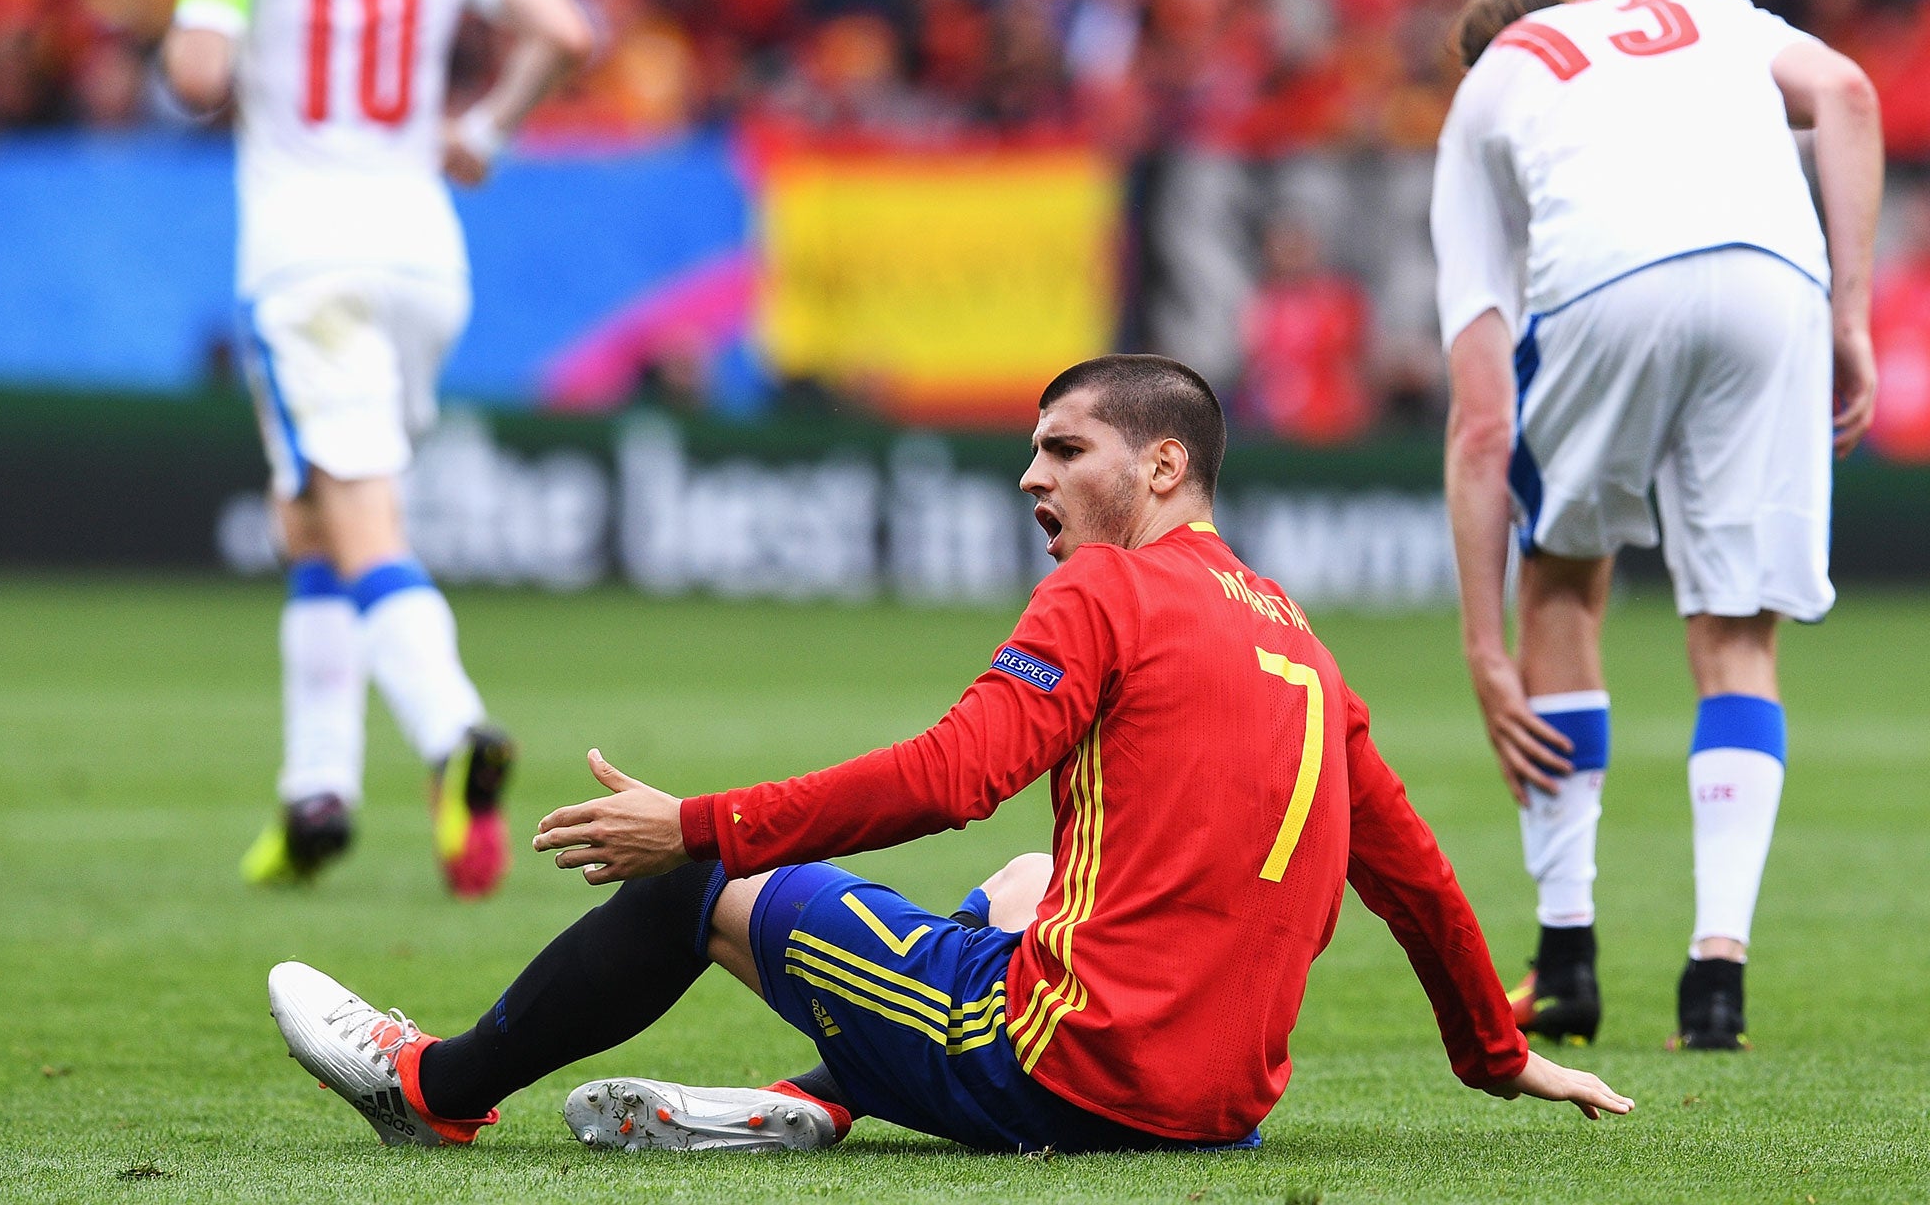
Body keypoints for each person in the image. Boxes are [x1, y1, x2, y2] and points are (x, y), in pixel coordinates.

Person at [264, 355, 1631, 1154]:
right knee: (1039, 871)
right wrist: (1498, 1055)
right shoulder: (1302, 644)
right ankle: (807, 1103)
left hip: (1067, 1069)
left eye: (1063, 449)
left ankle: (434, 1089)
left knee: (704, 890)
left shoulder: (1105, 591)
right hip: (1220, 1108)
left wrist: (697, 827)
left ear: (1162, 469)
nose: (1032, 479)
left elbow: (949, 773)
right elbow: (1412, 875)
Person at [160, 0, 598, 896]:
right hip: (421, 256)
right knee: (310, 511)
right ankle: (317, 796)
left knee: (356, 519)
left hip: (311, 264)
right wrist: (484, 131)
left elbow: (197, 73)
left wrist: (200, 52)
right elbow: (564, 28)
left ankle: (455, 735)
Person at [1430, 0, 1881, 1050]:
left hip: (1599, 284)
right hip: (1776, 279)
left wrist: (1481, 648)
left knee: (1562, 584)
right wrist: (1849, 317)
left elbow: (1481, 423)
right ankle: (1714, 983)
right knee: (1733, 633)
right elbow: (1851, 98)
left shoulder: (1490, 89)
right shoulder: (1695, 6)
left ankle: (1568, 954)